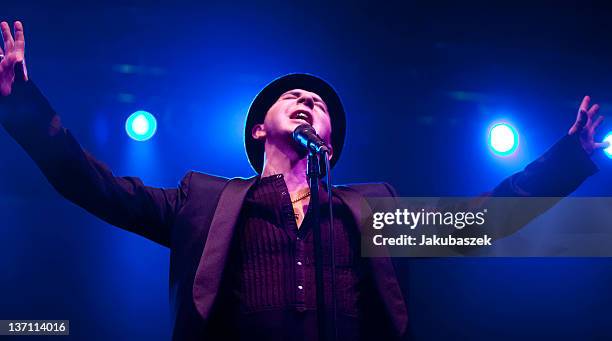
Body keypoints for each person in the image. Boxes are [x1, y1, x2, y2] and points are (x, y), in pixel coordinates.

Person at [0, 21, 608, 340]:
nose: (302, 99)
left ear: (332, 143)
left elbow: (484, 221)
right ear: (259, 133)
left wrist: (571, 156)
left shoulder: (372, 207)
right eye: (290, 97)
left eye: (315, 103)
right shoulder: (202, 200)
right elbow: (92, 184)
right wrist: (21, 100)